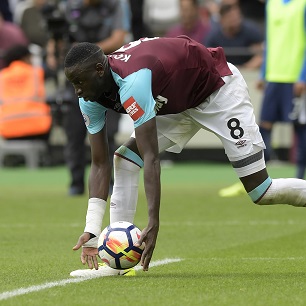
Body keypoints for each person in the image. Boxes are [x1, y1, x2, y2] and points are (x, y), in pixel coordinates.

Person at [64, 36, 306, 278]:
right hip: (178, 103)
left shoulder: (133, 80)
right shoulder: (89, 98)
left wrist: (153, 221)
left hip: (218, 91)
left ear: (99, 70)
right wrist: (92, 232)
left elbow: (151, 158)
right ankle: (115, 264)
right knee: (125, 159)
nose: (77, 90)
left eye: (79, 82)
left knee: (262, 191)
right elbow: (99, 163)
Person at [219, 0, 306, 197]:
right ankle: (254, 179)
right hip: (274, 77)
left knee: (299, 128)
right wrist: (264, 72)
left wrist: (303, 76)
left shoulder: (302, 4)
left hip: (294, 77)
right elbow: (270, 41)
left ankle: (301, 178)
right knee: (263, 126)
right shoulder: (272, 5)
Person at [61, 0, 130, 195]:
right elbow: (58, 40)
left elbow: (119, 38)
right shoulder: (69, 6)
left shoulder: (116, 5)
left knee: (107, 134)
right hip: (76, 79)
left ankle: (108, 183)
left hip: (106, 77)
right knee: (74, 134)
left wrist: (84, 53)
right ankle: (75, 183)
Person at [0, 44, 52, 141]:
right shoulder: (37, 72)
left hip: (8, 130)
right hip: (37, 128)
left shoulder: (2, 76)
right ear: (24, 58)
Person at [204, 0, 264, 69]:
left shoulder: (251, 31)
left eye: (236, 15)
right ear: (222, 20)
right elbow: (207, 59)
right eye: (229, 16)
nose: (234, 19)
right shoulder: (213, 37)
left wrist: (244, 69)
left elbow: (261, 55)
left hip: (248, 74)